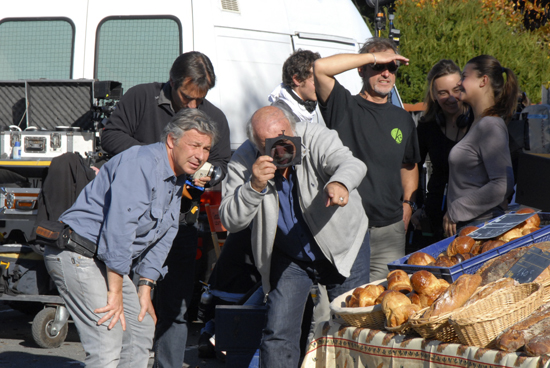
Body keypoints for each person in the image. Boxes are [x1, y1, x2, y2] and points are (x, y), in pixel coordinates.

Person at [43, 109, 217, 368]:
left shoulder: (179, 178)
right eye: (194, 145)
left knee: (140, 326)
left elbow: (165, 234)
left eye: (206, 149)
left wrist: (145, 288)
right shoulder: (142, 163)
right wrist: (116, 292)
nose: (200, 156)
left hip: (104, 260)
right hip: (78, 253)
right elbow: (119, 228)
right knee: (108, 337)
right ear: (172, 140)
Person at [100, 51, 231, 368]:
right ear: (172, 83)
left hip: (181, 223)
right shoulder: (141, 96)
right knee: (128, 301)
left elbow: (222, 164)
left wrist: (201, 179)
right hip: (132, 223)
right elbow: (111, 136)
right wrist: (157, 160)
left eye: (200, 98)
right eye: (187, 97)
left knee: (175, 307)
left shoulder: (212, 116)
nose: (192, 106)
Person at [219, 106, 370, 368]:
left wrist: (340, 182)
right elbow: (230, 220)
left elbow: (350, 163)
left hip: (342, 245)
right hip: (289, 254)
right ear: (256, 145)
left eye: (284, 134)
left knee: (350, 327)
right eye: (270, 142)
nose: (281, 146)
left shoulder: (315, 137)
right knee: (278, 332)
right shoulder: (243, 161)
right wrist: (253, 187)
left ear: (293, 127)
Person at [313, 38, 420, 282]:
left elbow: (409, 164)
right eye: (378, 66)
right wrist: (371, 56)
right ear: (362, 69)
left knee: (383, 304)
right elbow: (320, 68)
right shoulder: (344, 106)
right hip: (346, 228)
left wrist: (407, 205)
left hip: (389, 230)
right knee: (344, 305)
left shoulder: (402, 118)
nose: (385, 72)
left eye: (392, 67)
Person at [443, 55, 517, 236]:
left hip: (481, 228)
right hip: (472, 227)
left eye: (464, 76)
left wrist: (456, 210)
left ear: (483, 81)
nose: (459, 83)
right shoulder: (478, 122)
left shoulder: (490, 126)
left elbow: (502, 184)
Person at [410, 60, 471, 243]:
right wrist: (416, 206)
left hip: (472, 213)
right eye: (443, 93)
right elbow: (413, 166)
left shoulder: (479, 121)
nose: (451, 98)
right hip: (436, 215)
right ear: (434, 95)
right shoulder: (428, 126)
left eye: (456, 90)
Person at [268, 49, 325, 125]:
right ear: (297, 80)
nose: (321, 85)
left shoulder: (307, 109)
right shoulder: (279, 116)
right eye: (316, 81)